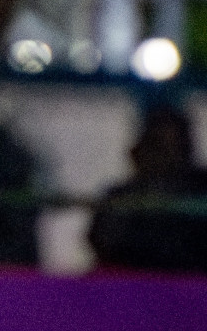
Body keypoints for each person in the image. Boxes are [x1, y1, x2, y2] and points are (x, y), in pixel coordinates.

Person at [89, 103, 207, 273]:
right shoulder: (122, 195)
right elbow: (101, 241)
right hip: (131, 286)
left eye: (173, 147)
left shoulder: (200, 192)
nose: (166, 157)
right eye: (158, 146)